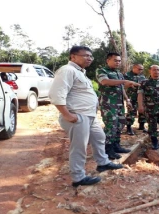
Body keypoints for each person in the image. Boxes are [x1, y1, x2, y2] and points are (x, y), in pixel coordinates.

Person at [49, 46, 123, 187]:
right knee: (79, 147)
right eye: (85, 55)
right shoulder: (67, 70)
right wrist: (67, 115)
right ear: (73, 57)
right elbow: (56, 94)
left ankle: (103, 163)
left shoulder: (81, 73)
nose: (89, 58)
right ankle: (78, 178)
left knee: (100, 137)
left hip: (89, 116)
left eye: (91, 56)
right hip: (77, 116)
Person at [96, 53, 140, 160]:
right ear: (108, 60)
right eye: (115, 60)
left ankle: (116, 145)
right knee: (111, 126)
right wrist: (125, 81)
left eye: (119, 61)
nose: (118, 62)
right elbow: (105, 81)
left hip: (119, 104)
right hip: (108, 104)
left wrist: (127, 100)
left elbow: (122, 88)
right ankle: (108, 149)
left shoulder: (119, 73)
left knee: (120, 124)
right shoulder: (102, 71)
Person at [124, 63, 147, 135]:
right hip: (132, 96)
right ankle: (129, 127)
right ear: (134, 68)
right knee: (131, 112)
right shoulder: (127, 75)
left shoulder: (142, 77)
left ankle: (142, 126)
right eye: (139, 69)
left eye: (142, 69)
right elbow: (123, 85)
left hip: (141, 96)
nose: (141, 71)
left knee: (143, 111)